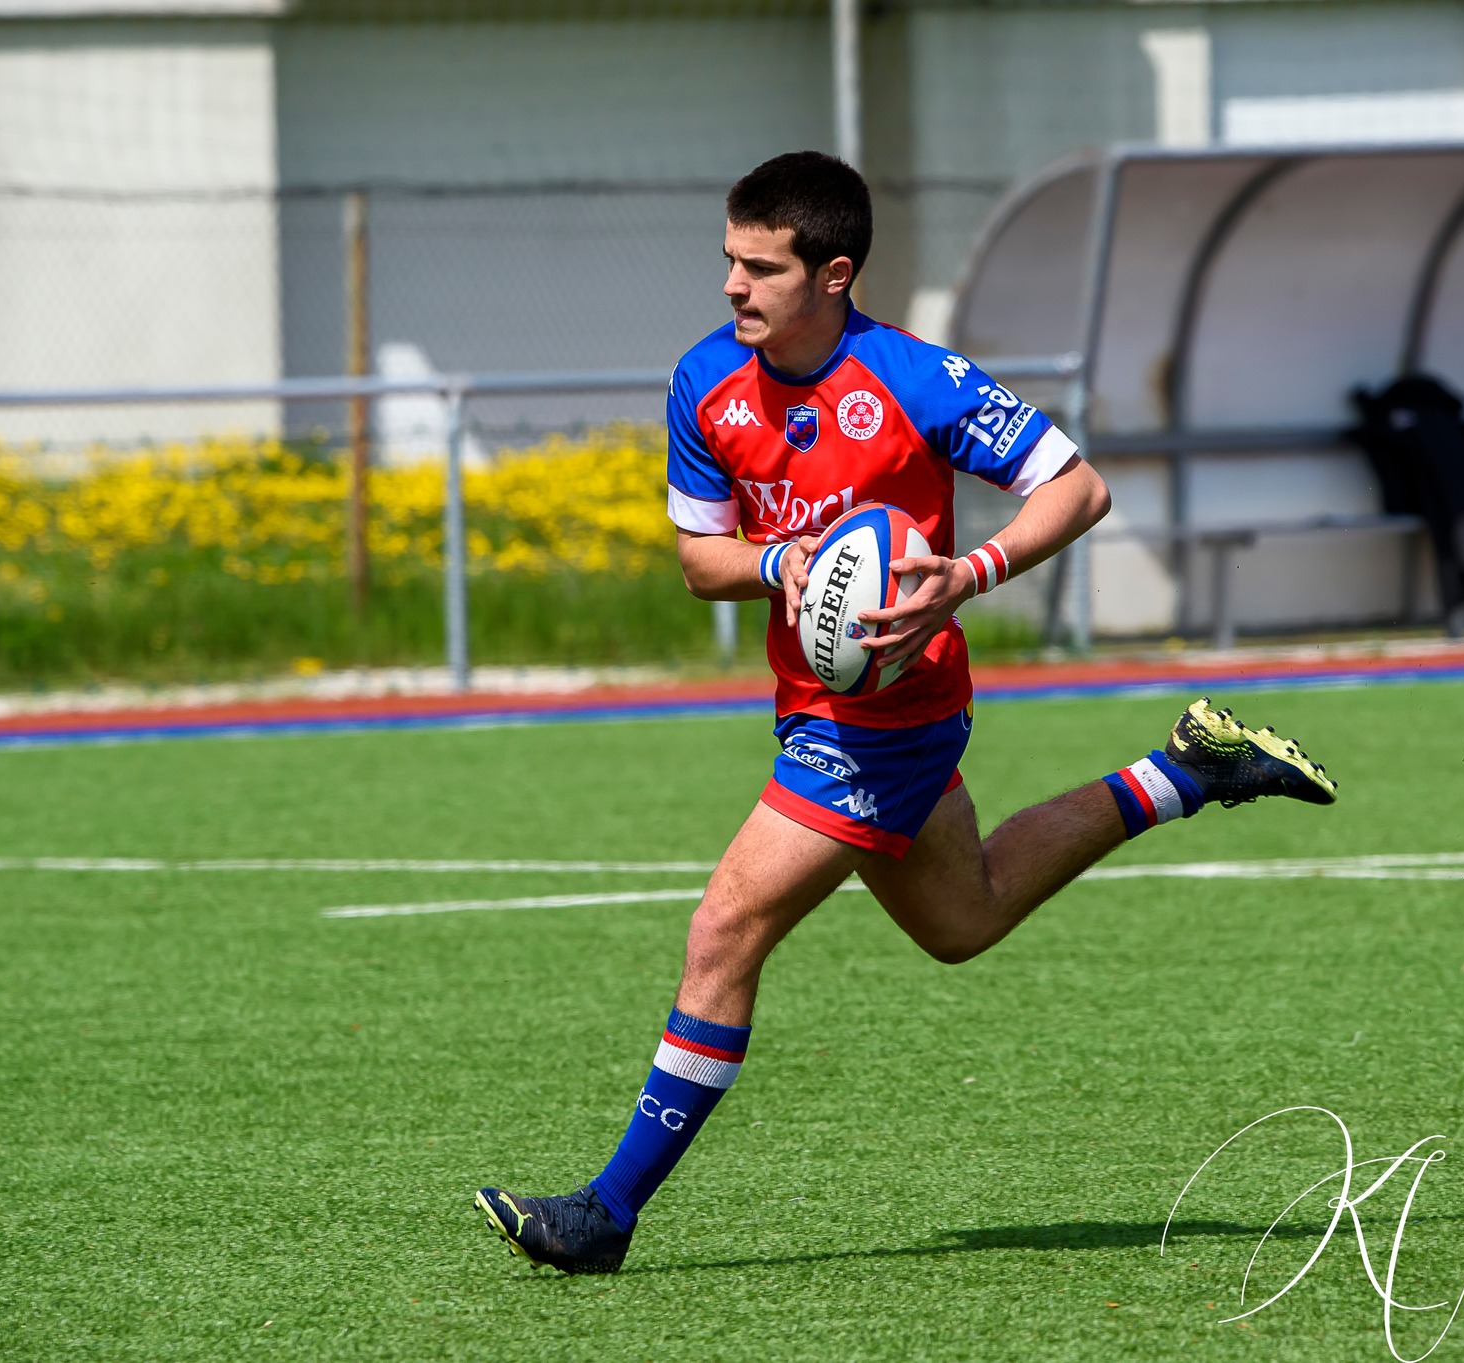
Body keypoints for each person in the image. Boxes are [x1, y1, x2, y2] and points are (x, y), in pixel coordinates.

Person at [475, 151, 1336, 1274]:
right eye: (729, 261)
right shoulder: (704, 380)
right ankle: (1184, 771)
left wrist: (967, 575)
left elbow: (1077, 486)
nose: (733, 285)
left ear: (833, 274)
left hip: (889, 717)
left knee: (725, 929)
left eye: (760, 268)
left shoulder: (918, 380)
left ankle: (606, 1213)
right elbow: (698, 559)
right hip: (812, 702)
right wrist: (781, 561)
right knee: (961, 920)